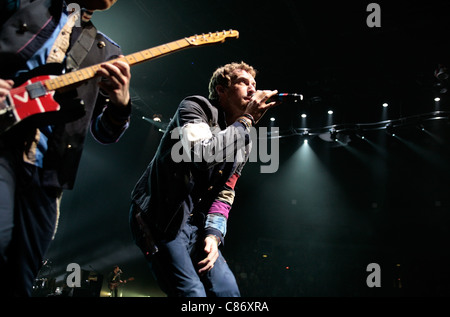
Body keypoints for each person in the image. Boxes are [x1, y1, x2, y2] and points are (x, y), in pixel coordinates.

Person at [0, 0, 131, 297]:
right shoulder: (24, 5)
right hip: (4, 149)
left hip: (49, 172)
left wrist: (121, 103)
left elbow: (104, 133)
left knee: (21, 277)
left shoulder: (106, 51)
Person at [130, 61, 280, 297]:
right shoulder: (195, 107)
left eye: (254, 84)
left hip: (196, 225)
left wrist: (213, 234)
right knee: (192, 294)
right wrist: (247, 121)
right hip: (159, 220)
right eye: (243, 83)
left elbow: (225, 192)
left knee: (228, 292)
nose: (252, 90)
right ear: (221, 90)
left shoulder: (244, 140)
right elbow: (203, 154)